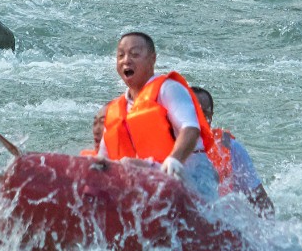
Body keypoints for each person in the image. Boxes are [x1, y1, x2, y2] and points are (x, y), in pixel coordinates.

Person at [89, 31, 224, 200]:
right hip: (152, 179)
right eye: (121, 55)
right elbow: (104, 158)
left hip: (191, 174)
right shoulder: (116, 109)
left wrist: (174, 160)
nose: (126, 60)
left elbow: (190, 129)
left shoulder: (169, 89)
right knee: (118, 166)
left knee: (129, 165)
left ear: (153, 59)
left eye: (135, 54)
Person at [192, 87, 275, 218]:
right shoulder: (166, 148)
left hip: (223, 224)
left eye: (204, 114)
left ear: (211, 117)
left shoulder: (230, 148)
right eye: (192, 112)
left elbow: (261, 202)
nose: (197, 119)